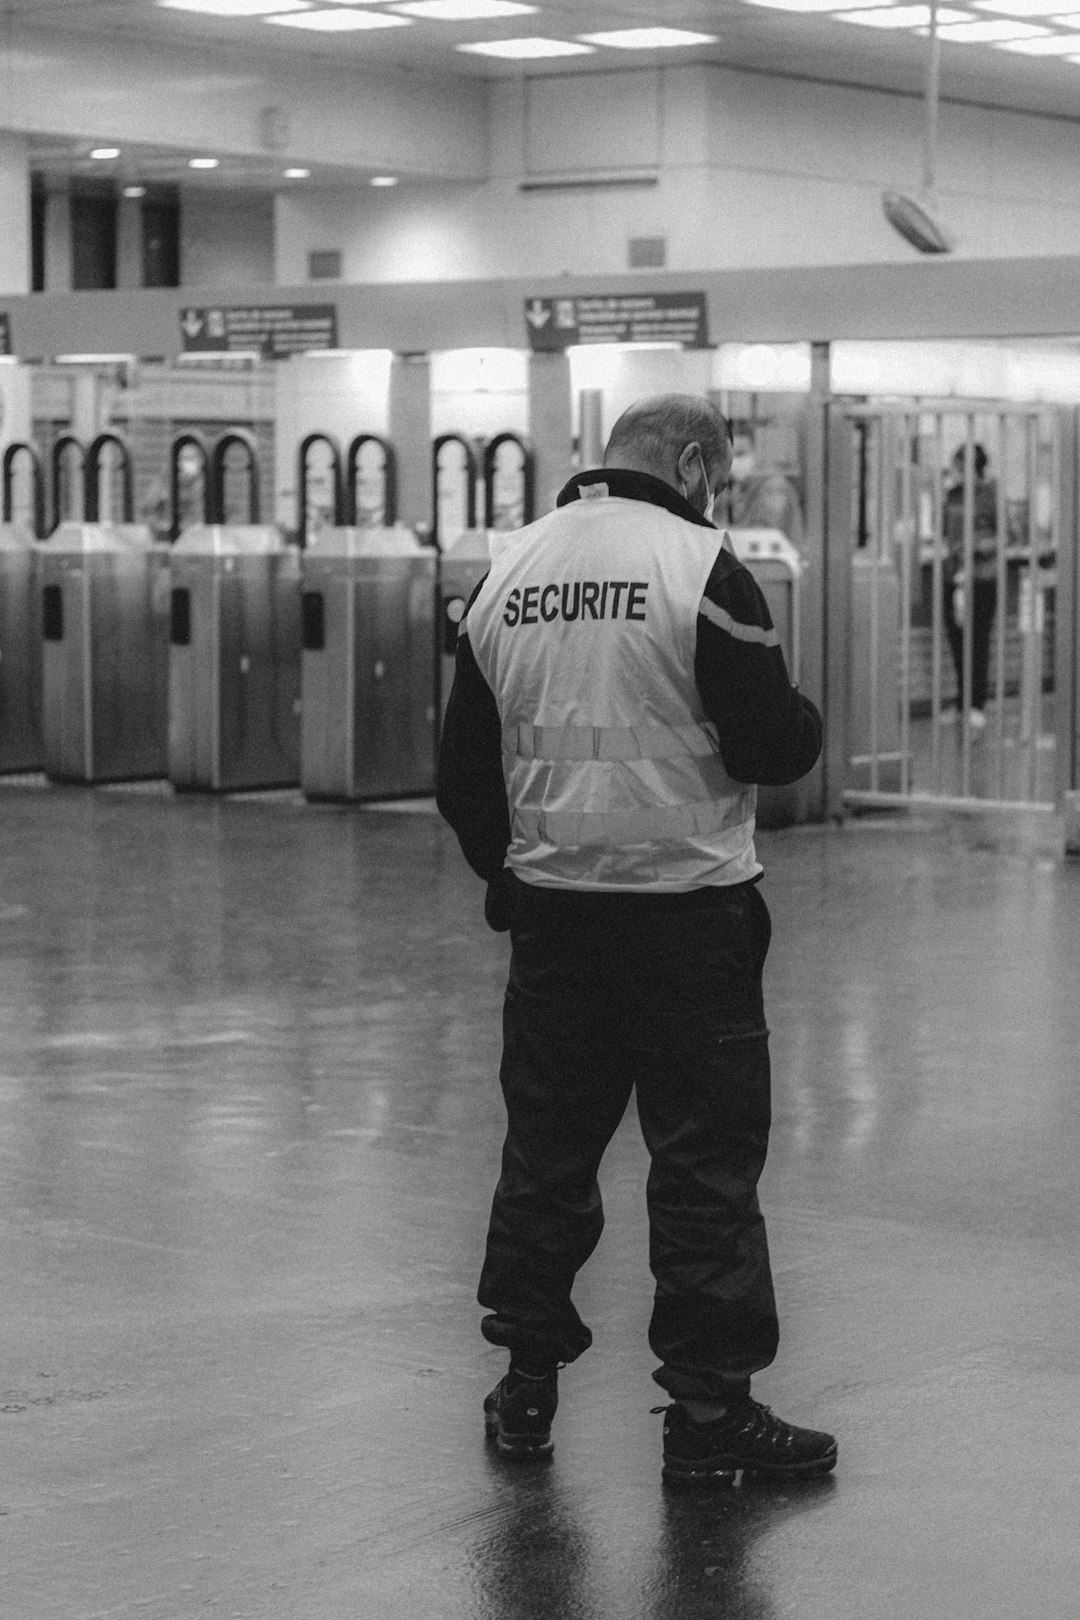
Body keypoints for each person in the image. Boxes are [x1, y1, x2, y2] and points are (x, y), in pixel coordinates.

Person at [436, 393, 836, 1488]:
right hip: (691, 928)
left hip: (558, 926)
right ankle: (709, 1416)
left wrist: (513, 878)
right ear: (696, 463)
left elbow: (462, 773)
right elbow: (769, 742)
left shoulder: (508, 572)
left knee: (545, 1159)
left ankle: (525, 1391)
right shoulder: (701, 569)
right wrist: (807, 720)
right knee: (702, 1165)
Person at [942, 444, 999, 728]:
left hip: (982, 578)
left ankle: (977, 704)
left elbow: (1003, 537)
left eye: (959, 466)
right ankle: (962, 701)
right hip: (955, 577)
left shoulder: (990, 495)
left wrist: (975, 546)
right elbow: (944, 531)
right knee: (956, 641)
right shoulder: (952, 495)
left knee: (977, 642)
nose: (955, 472)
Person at [726, 420, 804, 549]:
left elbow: (764, 538)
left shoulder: (772, 487)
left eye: (740, 454)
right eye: (729, 455)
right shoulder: (741, 487)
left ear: (755, 453)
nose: (734, 461)